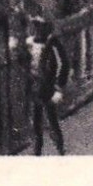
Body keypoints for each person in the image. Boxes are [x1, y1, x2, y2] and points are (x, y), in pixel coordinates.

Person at [26, 16, 70, 156]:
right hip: (35, 86)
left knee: (52, 120)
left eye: (40, 26)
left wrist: (58, 86)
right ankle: (37, 151)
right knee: (36, 121)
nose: (37, 29)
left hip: (49, 86)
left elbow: (64, 64)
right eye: (35, 26)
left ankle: (60, 149)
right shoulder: (29, 43)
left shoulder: (52, 43)